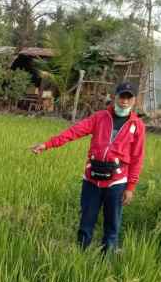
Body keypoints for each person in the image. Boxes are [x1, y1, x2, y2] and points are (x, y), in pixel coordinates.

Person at [31, 82, 146, 253]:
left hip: (117, 182)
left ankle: (106, 259)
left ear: (134, 100)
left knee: (112, 225)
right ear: (115, 97)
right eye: (122, 96)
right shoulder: (99, 117)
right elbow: (74, 132)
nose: (125, 101)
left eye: (129, 98)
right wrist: (47, 144)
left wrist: (130, 187)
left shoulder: (137, 126)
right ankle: (80, 256)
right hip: (92, 179)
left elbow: (137, 158)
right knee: (86, 221)